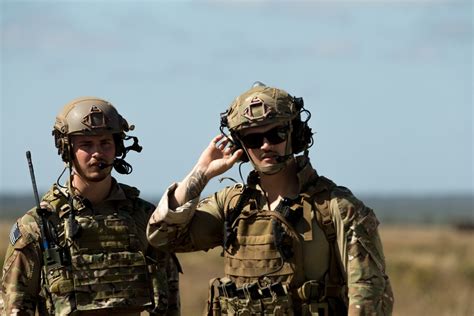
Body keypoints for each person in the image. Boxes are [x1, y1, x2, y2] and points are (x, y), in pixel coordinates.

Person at [147, 82, 394, 315]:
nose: (265, 145)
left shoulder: (336, 207)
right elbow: (161, 237)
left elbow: (370, 293)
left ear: (294, 134)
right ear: (240, 145)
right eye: (253, 139)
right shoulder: (232, 205)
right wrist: (200, 174)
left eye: (276, 134)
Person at [1, 97, 181, 315]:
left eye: (105, 143)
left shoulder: (144, 217)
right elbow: (15, 305)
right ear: (67, 149)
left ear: (118, 147)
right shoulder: (39, 225)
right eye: (86, 144)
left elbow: (168, 297)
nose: (97, 153)